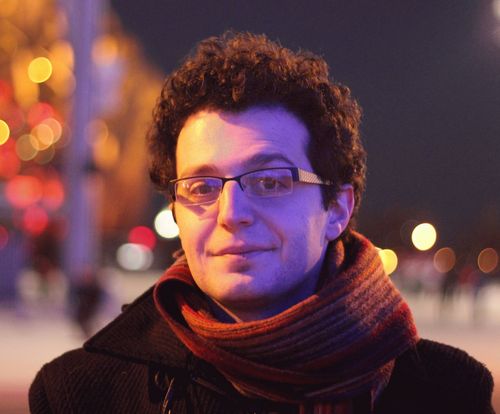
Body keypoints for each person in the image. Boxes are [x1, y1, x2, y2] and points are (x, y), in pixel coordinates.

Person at [29, 32, 494, 414]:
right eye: (201, 186)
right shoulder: (82, 394)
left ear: (337, 208)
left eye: (270, 182)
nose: (231, 213)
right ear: (176, 211)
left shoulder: (446, 394)